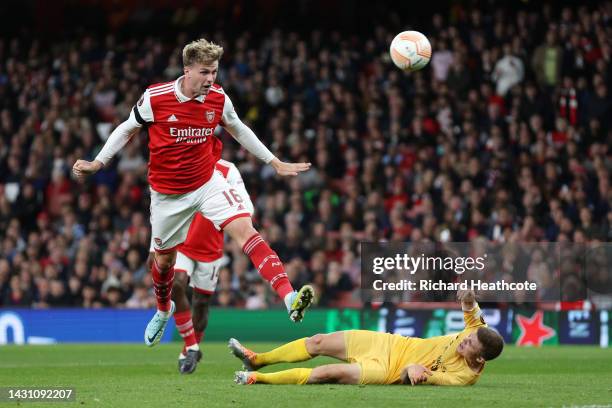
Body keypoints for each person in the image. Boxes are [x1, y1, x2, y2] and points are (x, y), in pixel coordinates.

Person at [72, 39, 315, 348]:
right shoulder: (156, 98)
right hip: (167, 196)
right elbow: (125, 129)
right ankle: (163, 311)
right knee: (162, 264)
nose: (211, 79)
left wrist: (274, 162)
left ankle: (289, 296)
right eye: (204, 72)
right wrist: (98, 162)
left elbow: (238, 128)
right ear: (187, 71)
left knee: (246, 230)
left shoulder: (217, 98)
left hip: (207, 182)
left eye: (214, 72)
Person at [230, 289, 503, 386]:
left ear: (479, 357)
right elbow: (470, 309)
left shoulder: (461, 378)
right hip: (388, 343)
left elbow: (412, 375)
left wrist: (413, 371)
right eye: (468, 337)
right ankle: (258, 360)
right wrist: (468, 297)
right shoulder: (476, 331)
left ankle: (258, 378)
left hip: (385, 370)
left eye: (469, 345)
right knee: (318, 341)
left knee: (326, 373)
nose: (464, 340)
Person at [147, 143, 255, 375]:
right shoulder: (181, 167)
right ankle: (191, 347)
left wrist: (229, 210)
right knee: (176, 283)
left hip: (211, 250)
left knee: (202, 304)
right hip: (182, 243)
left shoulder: (228, 171)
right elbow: (162, 206)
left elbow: (248, 206)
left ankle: (191, 349)